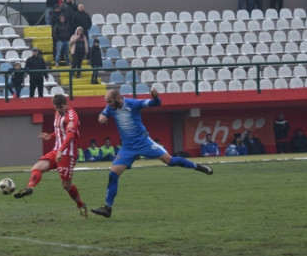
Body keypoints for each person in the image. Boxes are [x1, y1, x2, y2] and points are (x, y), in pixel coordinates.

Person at [90, 89, 213, 218]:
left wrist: (155, 98)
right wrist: (101, 116)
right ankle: (107, 208)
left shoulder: (133, 104)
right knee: (113, 174)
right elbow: (103, 113)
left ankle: (198, 167)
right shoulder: (110, 107)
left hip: (144, 142)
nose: (108, 104)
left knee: (169, 161)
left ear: (117, 98)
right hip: (127, 147)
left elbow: (156, 104)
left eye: (109, 101)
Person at [13, 94, 88, 219]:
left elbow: (70, 135)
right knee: (37, 167)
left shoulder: (71, 116)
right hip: (56, 151)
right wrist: (50, 136)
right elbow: (60, 131)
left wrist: (61, 151)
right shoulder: (57, 113)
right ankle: (29, 187)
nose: (58, 110)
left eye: (60, 107)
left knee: (66, 185)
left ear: (65, 104)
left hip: (67, 153)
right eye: (56, 108)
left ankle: (80, 204)